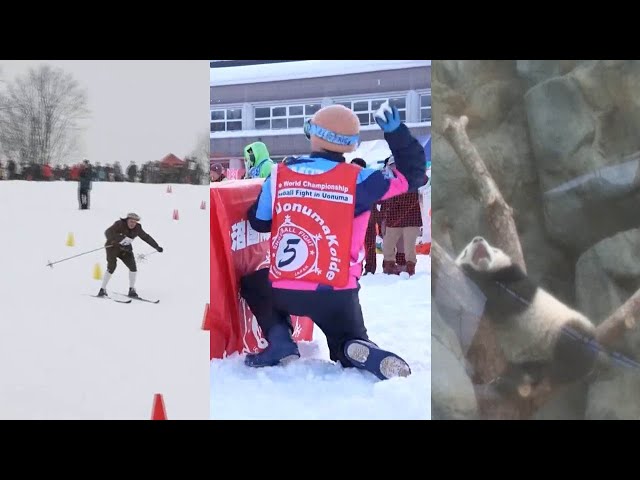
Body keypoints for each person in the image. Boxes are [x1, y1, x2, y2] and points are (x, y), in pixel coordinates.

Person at [244, 103, 426, 380]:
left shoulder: (279, 175)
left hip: (284, 286)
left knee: (253, 282)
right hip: (337, 290)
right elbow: (413, 176)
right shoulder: (360, 180)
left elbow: (259, 221)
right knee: (347, 339)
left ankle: (279, 336)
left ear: (312, 134)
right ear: (352, 145)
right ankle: (351, 346)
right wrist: (397, 134)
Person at [97, 213, 163, 298]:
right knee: (111, 267)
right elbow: (108, 232)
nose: (133, 224)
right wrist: (115, 240)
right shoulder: (119, 224)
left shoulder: (138, 228)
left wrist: (156, 246)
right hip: (112, 248)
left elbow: (146, 237)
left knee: (133, 268)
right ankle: (102, 289)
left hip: (126, 249)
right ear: (127, 220)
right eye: (131, 221)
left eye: (135, 222)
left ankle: (131, 289)